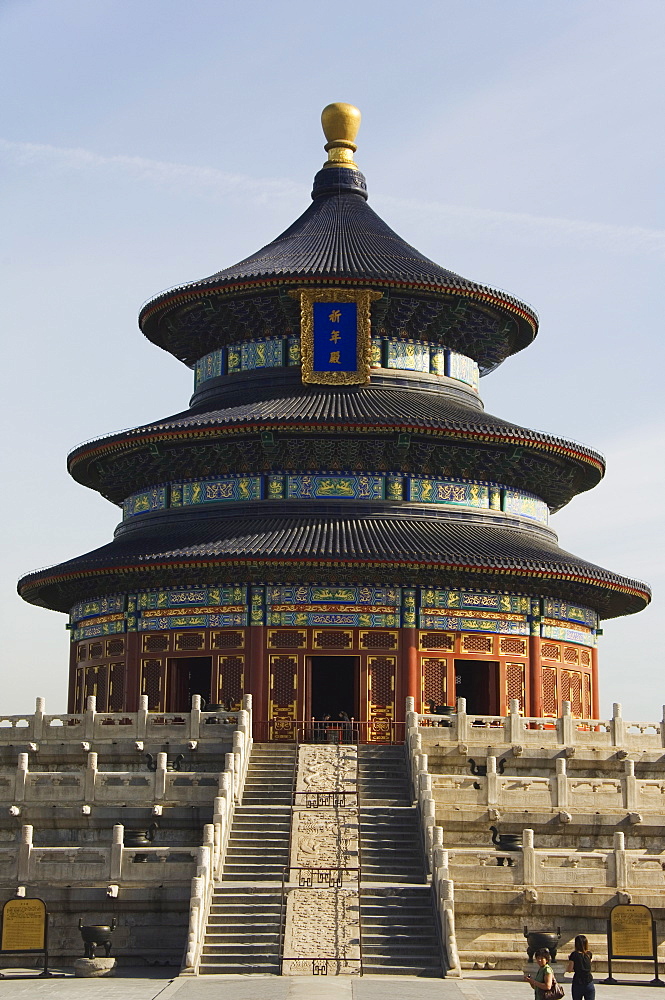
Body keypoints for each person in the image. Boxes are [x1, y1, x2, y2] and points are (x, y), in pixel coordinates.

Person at [567, 934, 594, 1000]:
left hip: (578, 982)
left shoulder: (574, 955)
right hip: (589, 981)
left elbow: (569, 969)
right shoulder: (589, 954)